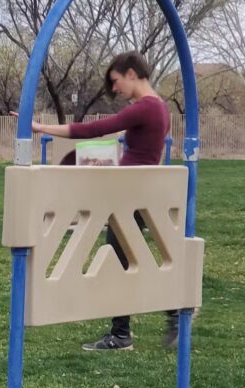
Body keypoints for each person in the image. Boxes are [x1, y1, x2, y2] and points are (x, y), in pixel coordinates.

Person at [30, 51, 178, 351]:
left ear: (132, 73)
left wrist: (41, 127)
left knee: (119, 259)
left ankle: (132, 330)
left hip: (128, 194)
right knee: (129, 259)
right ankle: (168, 314)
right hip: (137, 191)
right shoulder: (160, 109)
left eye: (116, 81)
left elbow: (94, 129)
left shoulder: (146, 108)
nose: (114, 89)